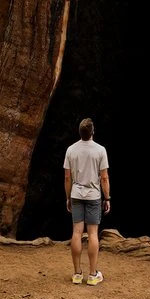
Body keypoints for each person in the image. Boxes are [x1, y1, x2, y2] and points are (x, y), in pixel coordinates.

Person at [63, 117, 111, 285]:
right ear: (92, 132)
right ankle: (92, 275)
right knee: (92, 234)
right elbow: (104, 177)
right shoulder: (100, 150)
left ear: (80, 132)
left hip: (76, 194)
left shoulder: (71, 150)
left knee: (76, 232)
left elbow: (67, 177)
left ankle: (77, 274)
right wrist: (107, 198)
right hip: (93, 196)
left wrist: (68, 197)